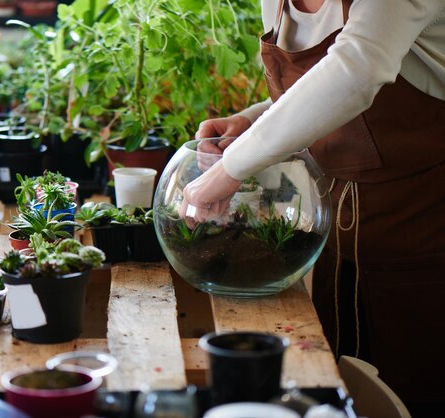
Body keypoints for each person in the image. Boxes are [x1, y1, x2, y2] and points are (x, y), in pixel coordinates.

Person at [181, 0, 445, 416]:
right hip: (339, 244)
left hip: (425, 236)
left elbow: (358, 69)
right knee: (338, 390)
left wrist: (229, 170)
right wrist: (254, 120)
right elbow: (318, 93)